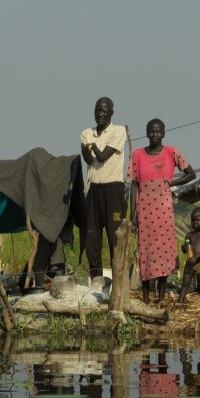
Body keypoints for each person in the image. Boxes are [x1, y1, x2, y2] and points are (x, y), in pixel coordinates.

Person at [129, 118, 194, 299]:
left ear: (163, 134)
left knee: (164, 252)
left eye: (158, 131)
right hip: (144, 211)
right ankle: (146, 297)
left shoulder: (172, 152)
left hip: (164, 211)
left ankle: (161, 296)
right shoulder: (137, 155)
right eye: (151, 131)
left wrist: (173, 182)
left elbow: (191, 173)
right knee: (145, 252)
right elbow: (134, 186)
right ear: (147, 132)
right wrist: (132, 215)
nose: (154, 134)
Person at [79, 97, 129, 288]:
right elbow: (89, 160)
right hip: (93, 189)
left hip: (113, 190)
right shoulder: (86, 132)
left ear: (111, 113)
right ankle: (96, 282)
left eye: (104, 111)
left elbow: (101, 156)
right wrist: (86, 150)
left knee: (114, 236)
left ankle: (119, 283)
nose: (100, 114)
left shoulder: (118, 131)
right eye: (98, 110)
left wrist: (91, 147)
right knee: (92, 238)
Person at [180, 207, 200, 300]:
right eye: (193, 220)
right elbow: (186, 246)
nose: (195, 223)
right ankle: (180, 300)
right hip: (190, 261)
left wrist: (196, 257)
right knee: (185, 282)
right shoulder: (189, 234)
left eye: (197, 220)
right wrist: (184, 247)